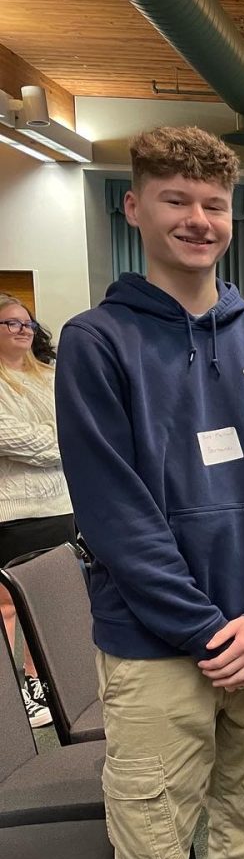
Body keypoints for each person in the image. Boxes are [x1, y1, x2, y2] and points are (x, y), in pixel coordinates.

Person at [55, 125, 244, 859]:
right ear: (135, 207)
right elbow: (113, 513)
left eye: (213, 203)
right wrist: (209, 629)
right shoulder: (97, 341)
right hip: (156, 650)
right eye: (176, 199)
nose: (197, 218)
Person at [0, 292, 73, 729]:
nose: (23, 330)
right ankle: (14, 692)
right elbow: (12, 438)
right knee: (8, 605)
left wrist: (53, 436)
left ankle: (42, 681)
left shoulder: (51, 375)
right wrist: (58, 437)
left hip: (61, 506)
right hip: (14, 513)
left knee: (52, 603)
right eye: (10, 323)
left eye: (27, 323)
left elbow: (78, 425)